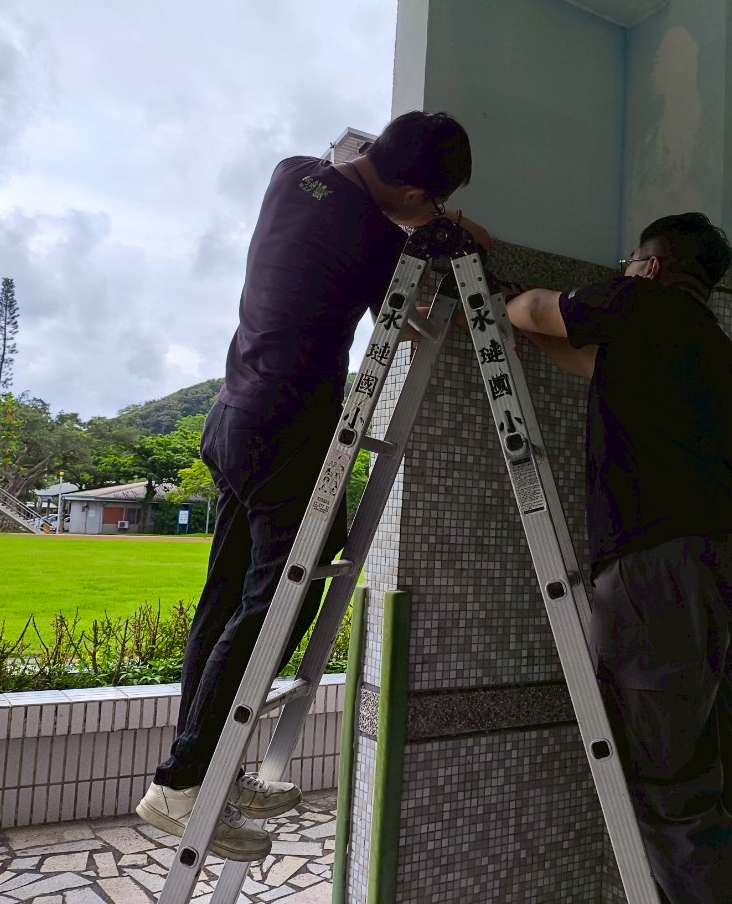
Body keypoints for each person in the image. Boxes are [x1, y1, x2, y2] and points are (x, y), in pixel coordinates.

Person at [137, 111, 491, 862]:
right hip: (287, 430)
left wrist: (423, 217)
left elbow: (350, 176)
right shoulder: (374, 236)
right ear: (415, 192)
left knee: (226, 600)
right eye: (430, 200)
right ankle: (184, 782)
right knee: (280, 602)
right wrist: (457, 242)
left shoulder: (290, 173)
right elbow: (413, 321)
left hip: (233, 417)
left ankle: (200, 769)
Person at [504, 213, 732, 904]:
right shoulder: (701, 339)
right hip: (728, 563)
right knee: (717, 762)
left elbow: (535, 311)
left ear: (650, 265)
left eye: (629, 260)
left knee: (669, 792)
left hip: (662, 569)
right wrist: (532, 333)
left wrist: (503, 302)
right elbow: (583, 358)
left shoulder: (640, 299)